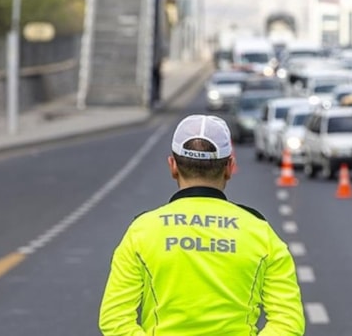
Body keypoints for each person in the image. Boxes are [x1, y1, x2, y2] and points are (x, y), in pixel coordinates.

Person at [99, 114, 305, 335]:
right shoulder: (260, 232)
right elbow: (288, 322)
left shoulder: (142, 231)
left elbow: (114, 319)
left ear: (173, 166)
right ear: (229, 167)